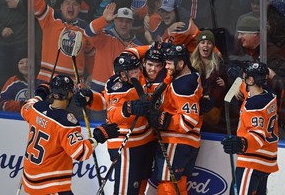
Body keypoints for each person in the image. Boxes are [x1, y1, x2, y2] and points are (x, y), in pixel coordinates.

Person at [20, 74, 120, 194]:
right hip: (50, 184)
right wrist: (100, 136)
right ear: (69, 94)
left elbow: (26, 106)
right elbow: (80, 152)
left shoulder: (36, 108)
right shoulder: (66, 121)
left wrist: (40, 94)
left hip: (30, 179)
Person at [75, 51, 156, 194]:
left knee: (140, 186)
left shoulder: (139, 77)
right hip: (126, 144)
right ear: (122, 75)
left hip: (145, 140)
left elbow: (102, 99)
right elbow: (112, 113)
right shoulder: (116, 87)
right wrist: (127, 108)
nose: (136, 73)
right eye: (132, 71)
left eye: (136, 70)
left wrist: (90, 98)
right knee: (125, 191)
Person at [147, 44, 203, 194]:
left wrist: (162, 119)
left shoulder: (182, 85)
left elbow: (188, 121)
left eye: (169, 63)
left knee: (168, 185)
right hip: (188, 143)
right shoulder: (192, 76)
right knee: (179, 184)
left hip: (176, 142)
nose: (166, 66)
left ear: (181, 63)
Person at [221, 61, 279, 195]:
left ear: (251, 80)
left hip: (252, 162)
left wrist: (241, 143)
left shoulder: (254, 105)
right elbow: (248, 90)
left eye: (245, 76)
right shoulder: (269, 94)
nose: (243, 78)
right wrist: (238, 83)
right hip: (266, 162)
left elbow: (257, 136)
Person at [34, 0, 94, 84]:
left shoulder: (86, 29)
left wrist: (92, 74)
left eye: (75, 4)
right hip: (47, 81)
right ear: (61, 7)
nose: (71, 6)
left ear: (79, 9)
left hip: (74, 85)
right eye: (67, 3)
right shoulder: (50, 20)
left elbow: (91, 56)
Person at [190, 30, 227, 131]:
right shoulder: (190, 65)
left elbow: (223, 89)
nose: (205, 45)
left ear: (212, 46)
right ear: (198, 46)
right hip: (194, 109)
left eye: (209, 43)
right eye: (202, 42)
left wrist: (223, 86)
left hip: (211, 113)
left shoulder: (219, 65)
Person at [0, 0, 28, 94]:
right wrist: (1, 29)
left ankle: (19, 104)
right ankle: (1, 106)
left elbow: (36, 11)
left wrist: (20, 4)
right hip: (0, 41)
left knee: (20, 77)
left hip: (22, 40)